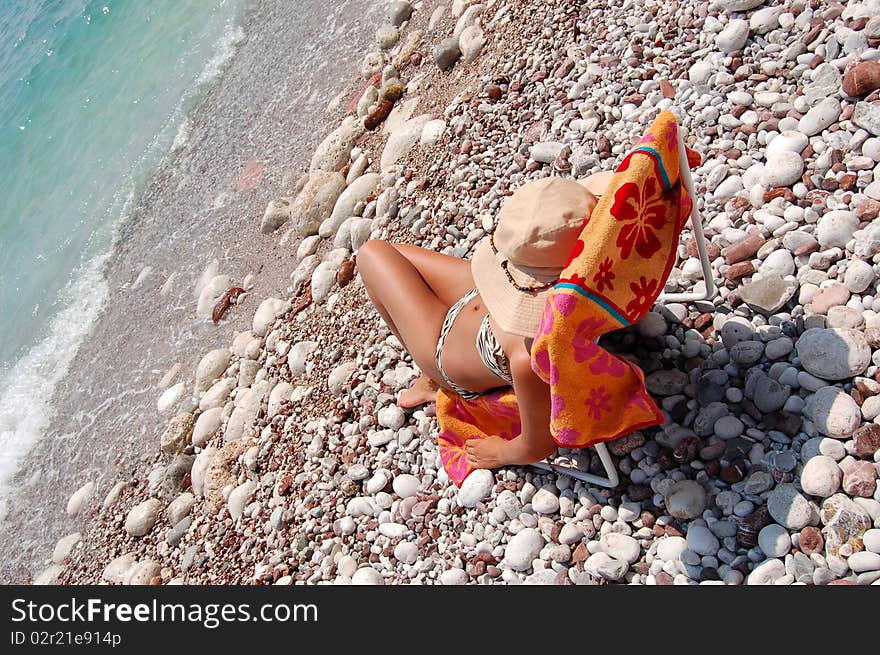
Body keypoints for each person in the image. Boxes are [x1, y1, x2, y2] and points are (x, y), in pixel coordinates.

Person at [356, 176, 603, 470]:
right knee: (387, 255)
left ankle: (431, 378)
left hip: (446, 348)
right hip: (491, 301)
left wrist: (501, 453)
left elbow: (538, 444)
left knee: (371, 255)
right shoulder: (605, 267)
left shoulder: (529, 353)